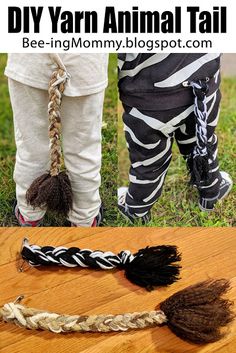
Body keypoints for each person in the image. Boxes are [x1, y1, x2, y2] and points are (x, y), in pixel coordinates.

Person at [118, 53, 233, 224]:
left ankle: (137, 210)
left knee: (148, 161)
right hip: (203, 82)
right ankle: (211, 192)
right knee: (202, 141)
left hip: (148, 101)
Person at [5, 53, 108, 227]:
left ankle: (29, 213)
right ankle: (84, 217)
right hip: (86, 64)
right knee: (83, 149)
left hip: (30, 62)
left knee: (31, 146)